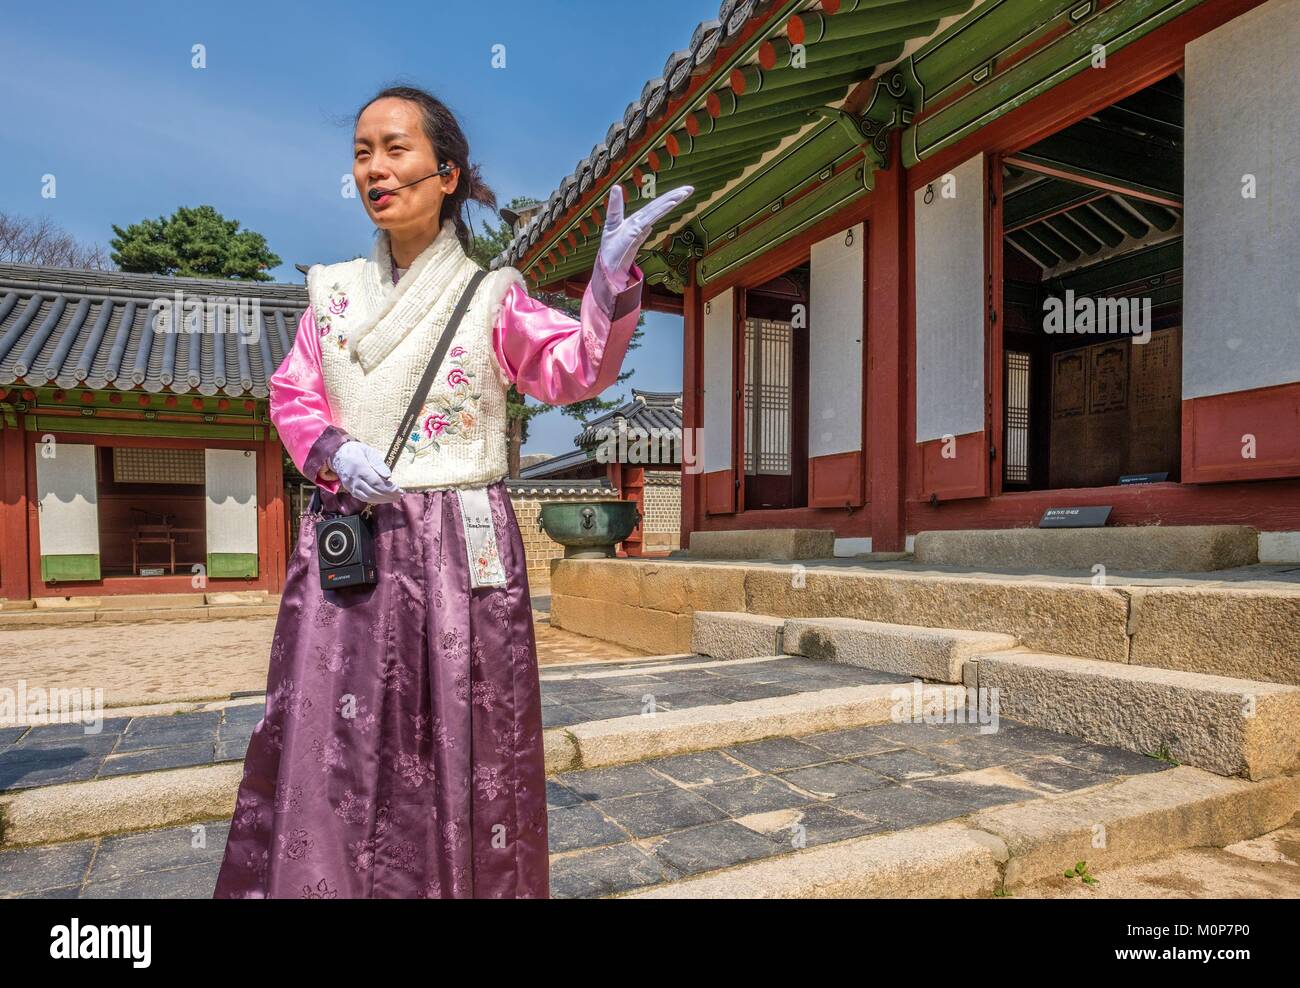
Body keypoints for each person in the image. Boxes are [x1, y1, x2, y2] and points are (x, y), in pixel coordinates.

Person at [212, 84, 691, 899]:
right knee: (332, 731)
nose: (375, 169)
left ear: (449, 175)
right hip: (354, 539)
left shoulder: (492, 295)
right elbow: (292, 397)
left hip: (459, 544)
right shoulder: (328, 294)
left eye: (396, 149)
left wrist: (608, 289)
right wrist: (333, 449)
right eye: (362, 152)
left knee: (464, 735)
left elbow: (574, 367)